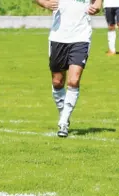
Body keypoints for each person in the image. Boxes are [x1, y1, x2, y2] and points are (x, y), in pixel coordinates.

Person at [35, 0, 102, 138]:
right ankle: (63, 113)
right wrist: (45, 4)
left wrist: (96, 7)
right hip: (58, 37)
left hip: (81, 37)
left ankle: (64, 122)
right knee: (57, 82)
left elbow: (97, 3)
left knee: (74, 80)